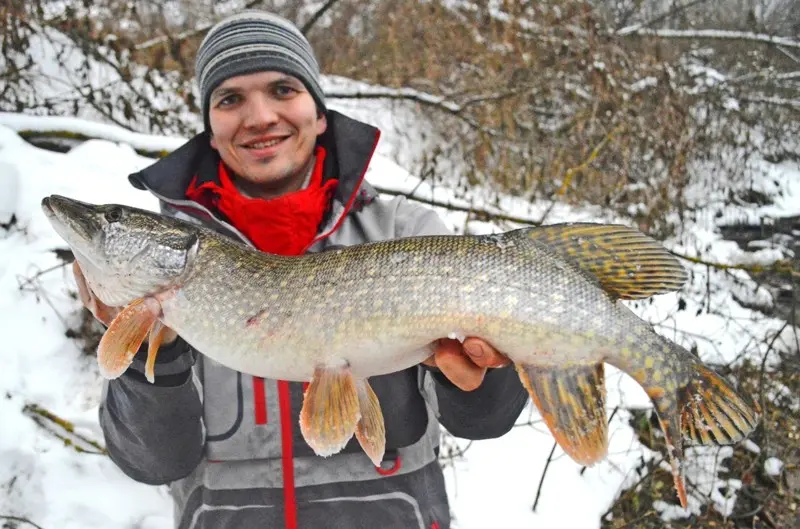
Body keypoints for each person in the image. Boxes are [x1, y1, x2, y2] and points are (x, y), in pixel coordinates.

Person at [76, 11, 529, 529]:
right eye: (229, 99)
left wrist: (484, 378)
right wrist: (146, 356)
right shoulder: (176, 257)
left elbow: (485, 421)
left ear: (319, 112)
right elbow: (152, 461)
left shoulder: (407, 231)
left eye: (283, 89)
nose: (260, 116)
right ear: (210, 128)